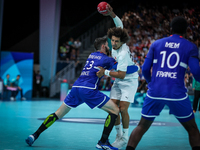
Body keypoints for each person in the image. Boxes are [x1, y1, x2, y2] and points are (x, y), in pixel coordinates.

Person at [25, 36, 138, 150]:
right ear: (103, 46)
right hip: (88, 89)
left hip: (76, 88)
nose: (109, 46)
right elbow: (124, 70)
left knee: (57, 114)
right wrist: (136, 68)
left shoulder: (91, 55)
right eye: (107, 45)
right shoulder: (106, 59)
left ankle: (35, 135)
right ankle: (103, 142)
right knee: (115, 110)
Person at [126, 16, 200, 150]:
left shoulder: (156, 44)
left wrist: (150, 83)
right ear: (187, 30)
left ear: (170, 28)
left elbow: (145, 69)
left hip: (155, 92)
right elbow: (196, 71)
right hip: (176, 93)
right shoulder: (190, 46)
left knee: (142, 126)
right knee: (192, 129)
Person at [97, 5, 139, 149]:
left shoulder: (122, 53)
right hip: (119, 81)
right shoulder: (114, 45)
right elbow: (119, 25)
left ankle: (125, 137)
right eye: (112, 40)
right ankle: (118, 135)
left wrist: (105, 72)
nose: (113, 43)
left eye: (116, 41)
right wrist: (111, 14)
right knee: (112, 109)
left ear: (122, 42)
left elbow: (121, 75)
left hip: (129, 81)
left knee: (122, 109)